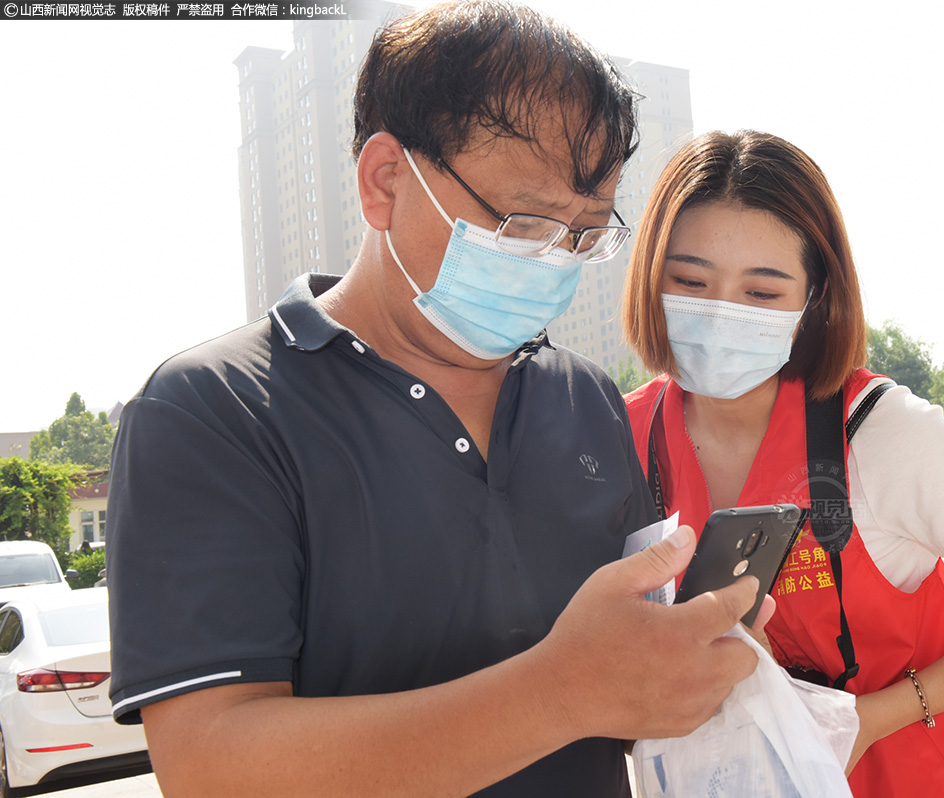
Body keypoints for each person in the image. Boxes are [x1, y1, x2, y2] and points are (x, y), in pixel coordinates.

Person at [105, 5, 766, 796]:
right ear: (385, 180)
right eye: (523, 224)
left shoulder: (583, 397)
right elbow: (214, 768)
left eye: (585, 235)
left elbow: (618, 690)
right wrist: (561, 693)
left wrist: (680, 661)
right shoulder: (216, 412)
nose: (553, 262)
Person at [621, 130, 944, 797]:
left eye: (761, 293)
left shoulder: (888, 434)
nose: (721, 313)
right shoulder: (619, 439)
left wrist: (867, 720)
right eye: (690, 281)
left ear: (815, 299)